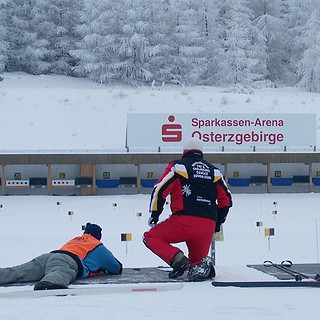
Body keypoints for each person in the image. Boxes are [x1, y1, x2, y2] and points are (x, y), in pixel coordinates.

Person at [143, 138, 232, 281]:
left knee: (150, 237)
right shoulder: (215, 172)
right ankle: (201, 269)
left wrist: (155, 214)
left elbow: (159, 189)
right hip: (207, 226)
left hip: (183, 221)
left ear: (184, 152)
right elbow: (226, 201)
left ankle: (177, 259)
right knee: (196, 265)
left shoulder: (178, 167)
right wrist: (217, 223)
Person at [0, 223, 122, 290]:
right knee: (60, 274)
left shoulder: (75, 239)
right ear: (98, 236)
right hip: (67, 261)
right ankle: (48, 283)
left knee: (18, 271)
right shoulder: (97, 246)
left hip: (49, 257)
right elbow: (116, 268)